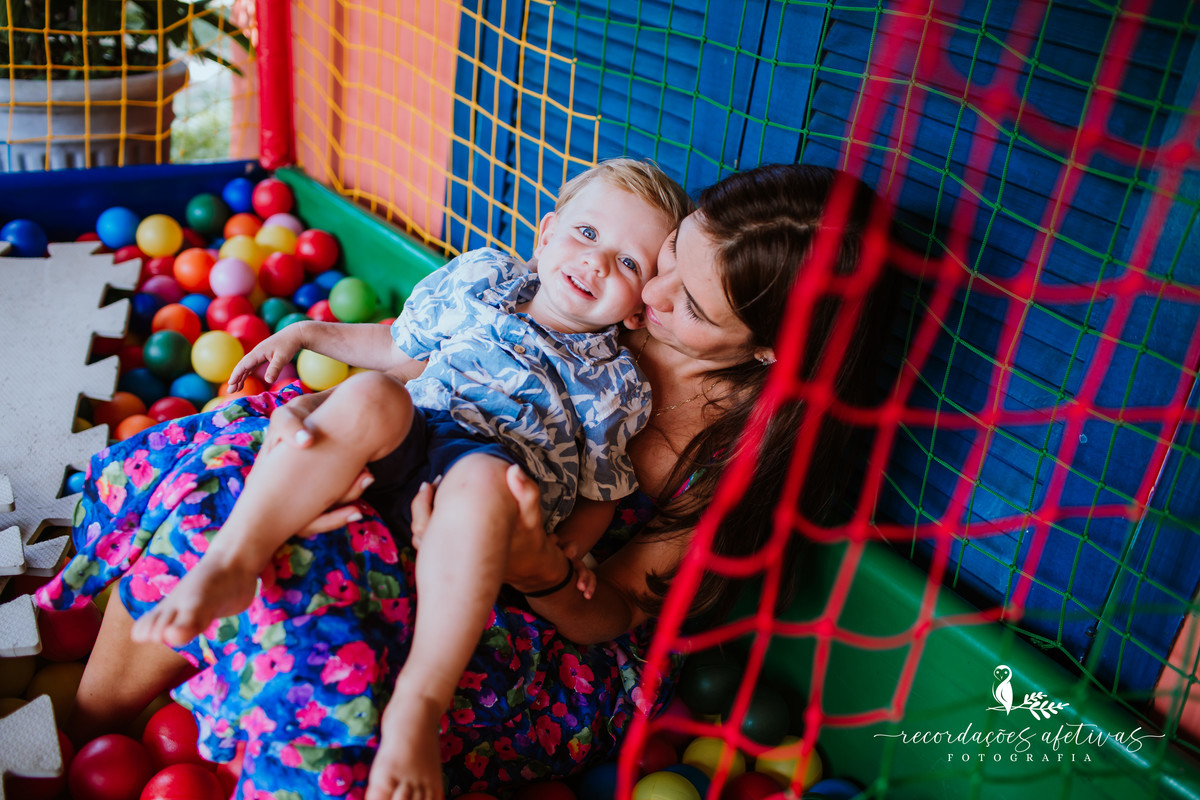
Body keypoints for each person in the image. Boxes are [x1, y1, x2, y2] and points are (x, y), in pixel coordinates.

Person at [35, 163, 888, 800]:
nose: (651, 293)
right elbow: (415, 363)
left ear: (770, 348)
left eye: (691, 304)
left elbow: (613, 611)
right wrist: (307, 424)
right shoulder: (566, 288)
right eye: (670, 257)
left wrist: (539, 563)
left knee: (325, 628)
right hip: (410, 460)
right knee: (229, 473)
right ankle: (93, 729)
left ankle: (362, 716)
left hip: (531, 607)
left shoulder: (723, 461)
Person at [123, 157, 688, 799]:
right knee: (369, 396)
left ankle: (416, 706)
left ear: (641, 308)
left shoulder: (616, 385)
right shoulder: (482, 279)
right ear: (547, 231)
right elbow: (396, 350)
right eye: (587, 236)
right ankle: (231, 560)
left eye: (628, 264)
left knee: (483, 490)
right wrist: (306, 333)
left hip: (488, 475)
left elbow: (599, 493)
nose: (596, 263)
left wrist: (567, 550)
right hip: (413, 428)